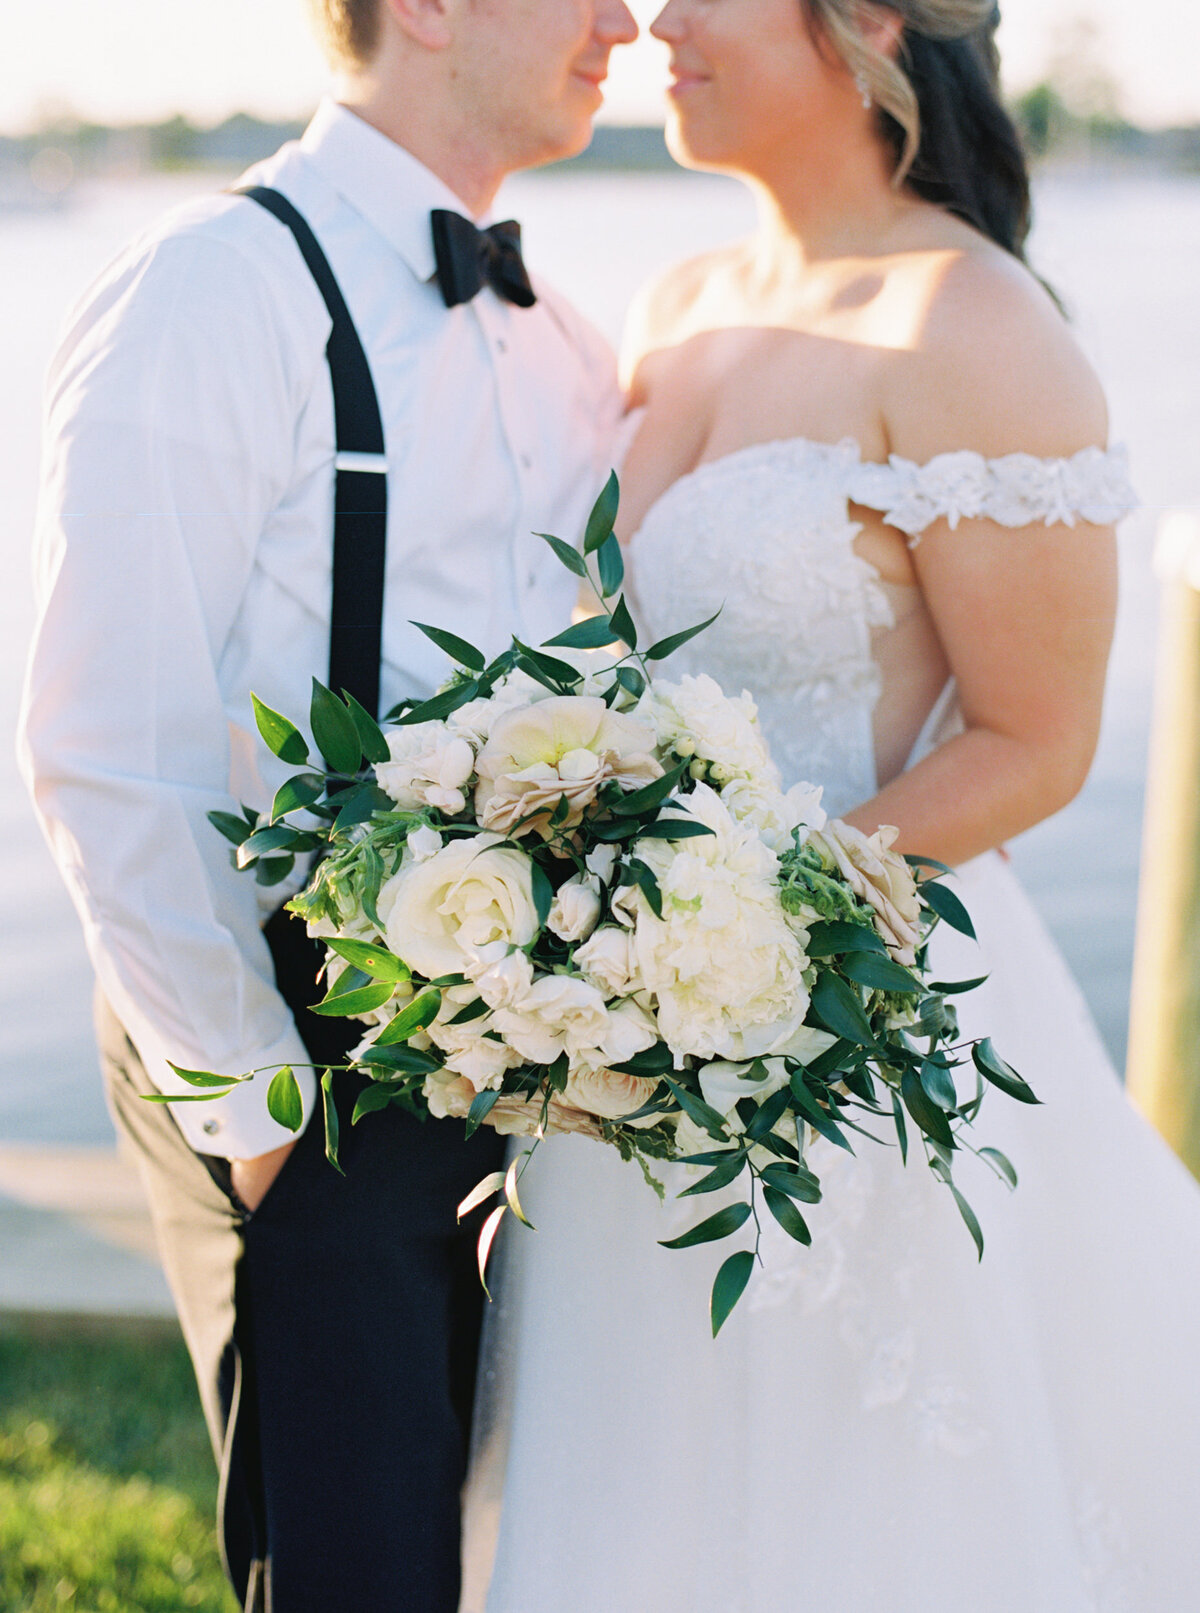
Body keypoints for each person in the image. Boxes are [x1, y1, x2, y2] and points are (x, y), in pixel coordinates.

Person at [467, 3, 1200, 1609]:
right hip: (625, 1057)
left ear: (866, 24)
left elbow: (1033, 739)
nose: (658, 20)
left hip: (855, 1029)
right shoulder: (680, 303)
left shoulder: (979, 325)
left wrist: (738, 914)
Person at [17, 0, 636, 1606]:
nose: (627, 21)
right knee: (355, 1560)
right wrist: (266, 1122)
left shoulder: (564, 330)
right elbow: (108, 744)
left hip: (518, 1035)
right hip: (291, 1033)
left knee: (511, 1538)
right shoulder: (210, 294)